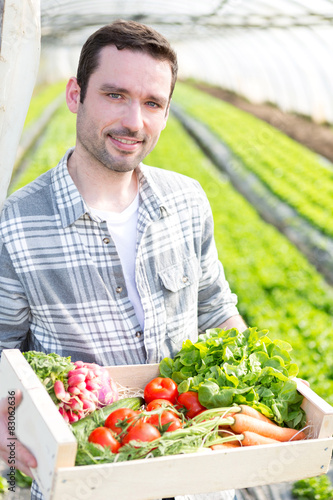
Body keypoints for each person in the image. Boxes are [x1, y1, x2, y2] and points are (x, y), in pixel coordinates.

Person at [0, 20, 247, 500]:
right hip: (88, 476)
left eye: (152, 102)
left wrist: (256, 379)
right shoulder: (16, 226)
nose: (135, 121)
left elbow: (216, 309)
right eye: (115, 94)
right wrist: (6, 435)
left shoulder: (188, 201)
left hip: (197, 472)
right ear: (75, 94)